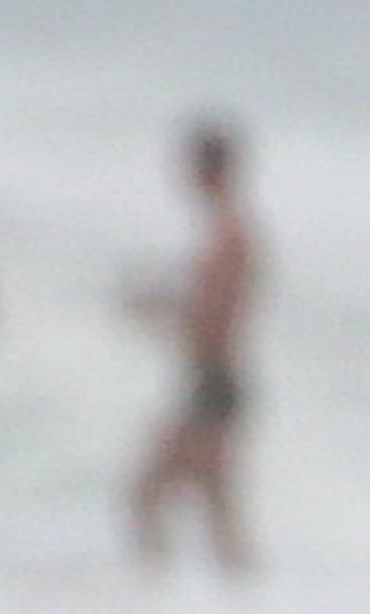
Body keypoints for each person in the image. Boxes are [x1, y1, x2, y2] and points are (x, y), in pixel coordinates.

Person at [129, 119, 261, 573]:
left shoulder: (228, 237)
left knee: (146, 492)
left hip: (212, 380)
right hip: (213, 379)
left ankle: (156, 595)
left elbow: (210, 322)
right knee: (216, 508)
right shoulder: (226, 234)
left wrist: (158, 313)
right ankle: (244, 611)